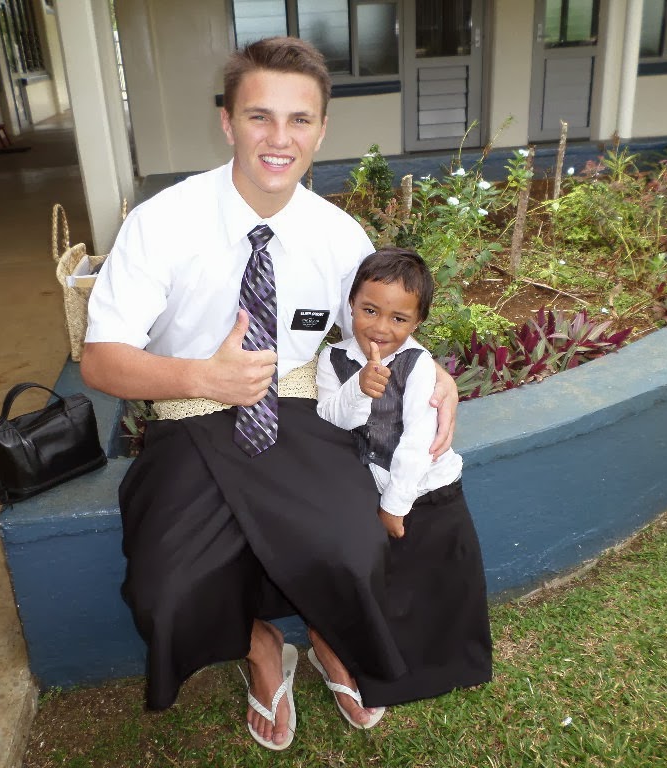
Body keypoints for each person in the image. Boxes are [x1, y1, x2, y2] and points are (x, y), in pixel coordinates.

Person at [80, 37, 460, 750]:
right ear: (228, 122)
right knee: (165, 592)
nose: (279, 140)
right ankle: (260, 649)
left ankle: (330, 634)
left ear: (321, 130)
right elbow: (99, 362)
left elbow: (385, 327)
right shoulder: (161, 223)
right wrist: (202, 376)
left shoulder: (340, 236)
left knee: (352, 545)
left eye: (299, 120)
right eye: (260, 117)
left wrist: (436, 378)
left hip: (296, 410)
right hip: (187, 415)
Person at [316, 247, 493, 705]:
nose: (380, 328)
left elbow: (417, 441)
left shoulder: (417, 366)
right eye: (369, 310)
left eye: (399, 319)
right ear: (350, 303)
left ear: (416, 323)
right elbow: (331, 417)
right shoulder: (332, 360)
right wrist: (359, 388)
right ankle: (395, 672)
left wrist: (395, 506)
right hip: (378, 491)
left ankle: (459, 664)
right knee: (396, 587)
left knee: (446, 581)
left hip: (432, 490)